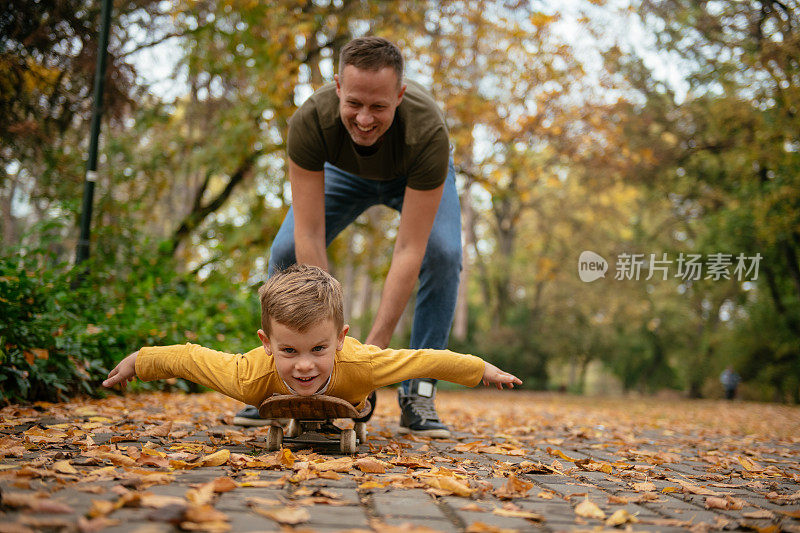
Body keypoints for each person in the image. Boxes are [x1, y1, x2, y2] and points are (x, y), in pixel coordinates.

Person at [232, 36, 463, 437]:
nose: (365, 119)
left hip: (413, 175)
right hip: (342, 174)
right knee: (287, 248)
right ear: (338, 86)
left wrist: (365, 358)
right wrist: (324, 341)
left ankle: (418, 393)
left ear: (400, 95)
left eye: (379, 107)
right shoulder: (310, 121)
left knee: (443, 254)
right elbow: (309, 231)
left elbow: (410, 248)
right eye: (354, 104)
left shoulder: (428, 132)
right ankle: (273, 379)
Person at [103, 265, 522, 422]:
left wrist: (483, 370)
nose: (304, 364)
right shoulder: (250, 376)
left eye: (317, 349)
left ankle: (359, 402)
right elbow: (192, 359)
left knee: (361, 394)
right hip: (268, 388)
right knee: (258, 386)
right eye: (289, 351)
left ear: (340, 340)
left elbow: (424, 360)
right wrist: (141, 360)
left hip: (350, 387)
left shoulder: (361, 363)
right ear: (267, 343)